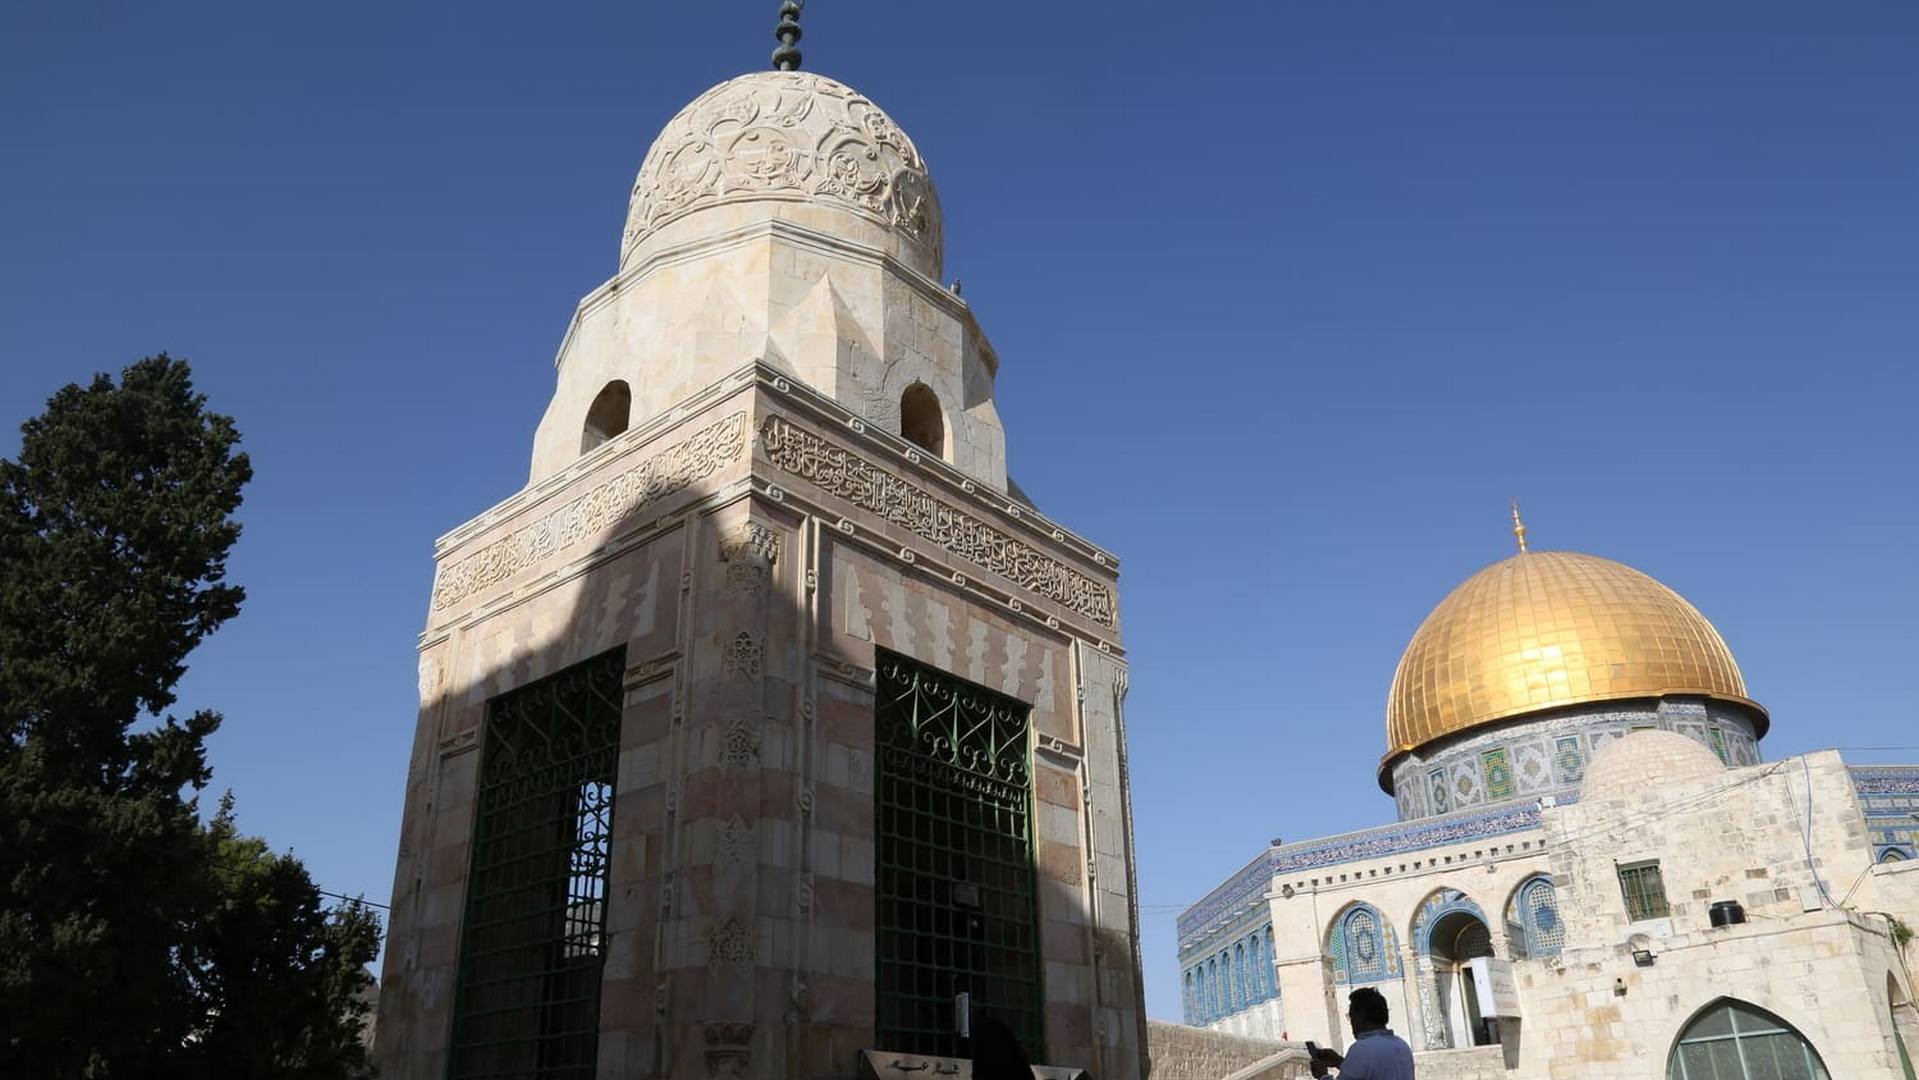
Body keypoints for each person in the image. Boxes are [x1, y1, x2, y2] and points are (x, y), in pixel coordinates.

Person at [1308, 986, 1414, 1079]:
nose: (1351, 1023)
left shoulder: (1362, 1049)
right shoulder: (1401, 1046)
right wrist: (1340, 1063)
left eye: (1351, 1016)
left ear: (1361, 1016)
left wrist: (1322, 1075)